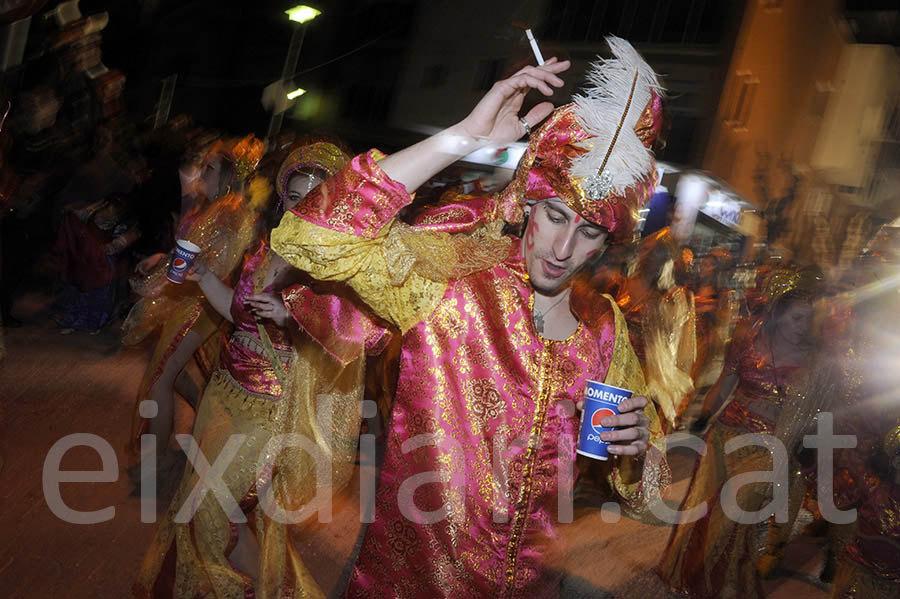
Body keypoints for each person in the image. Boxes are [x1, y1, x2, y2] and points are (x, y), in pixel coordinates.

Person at [271, 37, 667, 597]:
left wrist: (637, 448)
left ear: (606, 243)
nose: (562, 248)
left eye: (588, 233)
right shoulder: (451, 278)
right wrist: (464, 138)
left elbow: (643, 482)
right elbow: (313, 237)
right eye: (554, 216)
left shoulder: (604, 326)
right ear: (528, 203)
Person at [134, 142, 382, 597]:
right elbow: (237, 311)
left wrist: (295, 317)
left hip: (270, 412)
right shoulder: (267, 247)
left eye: (314, 197)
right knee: (215, 511)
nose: (301, 206)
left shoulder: (335, 267)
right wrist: (205, 277)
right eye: (294, 195)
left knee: (210, 513)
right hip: (223, 396)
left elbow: (362, 338)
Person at [657, 266, 831, 599]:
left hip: (769, 448)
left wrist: (810, 445)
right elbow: (725, 385)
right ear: (777, 313)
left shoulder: (814, 364)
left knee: (736, 504)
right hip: (726, 437)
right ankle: (711, 578)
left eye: (807, 320)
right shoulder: (745, 341)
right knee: (709, 510)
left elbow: (816, 412)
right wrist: (704, 416)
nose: (802, 328)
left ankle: (711, 574)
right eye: (796, 319)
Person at [123, 135, 266, 484]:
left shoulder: (231, 211)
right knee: (183, 377)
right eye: (203, 166)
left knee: (160, 378)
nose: (203, 174)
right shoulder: (216, 208)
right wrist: (162, 259)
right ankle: (206, 439)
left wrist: (165, 274)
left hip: (201, 307)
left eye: (211, 168)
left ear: (230, 174)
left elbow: (215, 267)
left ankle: (156, 463)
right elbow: (192, 253)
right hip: (192, 302)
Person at [615, 227, 696, 429]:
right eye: (644, 249)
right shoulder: (625, 281)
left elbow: (673, 342)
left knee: (632, 439)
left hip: (646, 378)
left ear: (661, 258)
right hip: (615, 367)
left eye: (650, 251)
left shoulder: (673, 298)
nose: (644, 255)